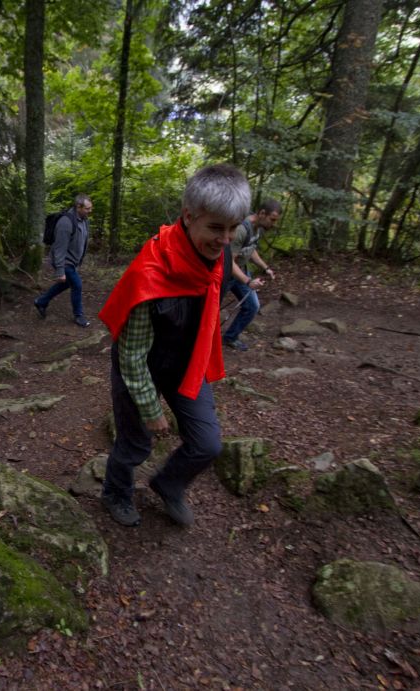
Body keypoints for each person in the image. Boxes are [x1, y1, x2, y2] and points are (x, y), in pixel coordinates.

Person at [98, 164, 250, 527]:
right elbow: (131, 357)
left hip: (186, 362)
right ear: (189, 216)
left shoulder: (222, 254)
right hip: (142, 367)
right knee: (135, 444)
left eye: (233, 228)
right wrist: (151, 409)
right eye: (216, 228)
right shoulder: (149, 275)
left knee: (207, 443)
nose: (225, 239)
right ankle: (115, 492)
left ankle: (168, 484)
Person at [221, 199, 281, 351]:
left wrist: (265, 268)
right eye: (272, 219)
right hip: (226, 275)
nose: (273, 224)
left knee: (252, 306)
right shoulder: (241, 229)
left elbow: (250, 249)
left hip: (241, 272)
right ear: (262, 213)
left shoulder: (257, 229)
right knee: (210, 309)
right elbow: (228, 262)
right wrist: (248, 281)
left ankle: (230, 337)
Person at [34, 194, 93, 327]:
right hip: (64, 261)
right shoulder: (65, 222)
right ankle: (79, 316)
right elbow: (59, 248)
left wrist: (79, 261)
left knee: (66, 284)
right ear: (78, 207)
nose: (90, 211)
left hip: (72, 261)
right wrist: (60, 271)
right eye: (87, 208)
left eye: (90, 208)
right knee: (77, 285)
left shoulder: (84, 220)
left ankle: (41, 301)